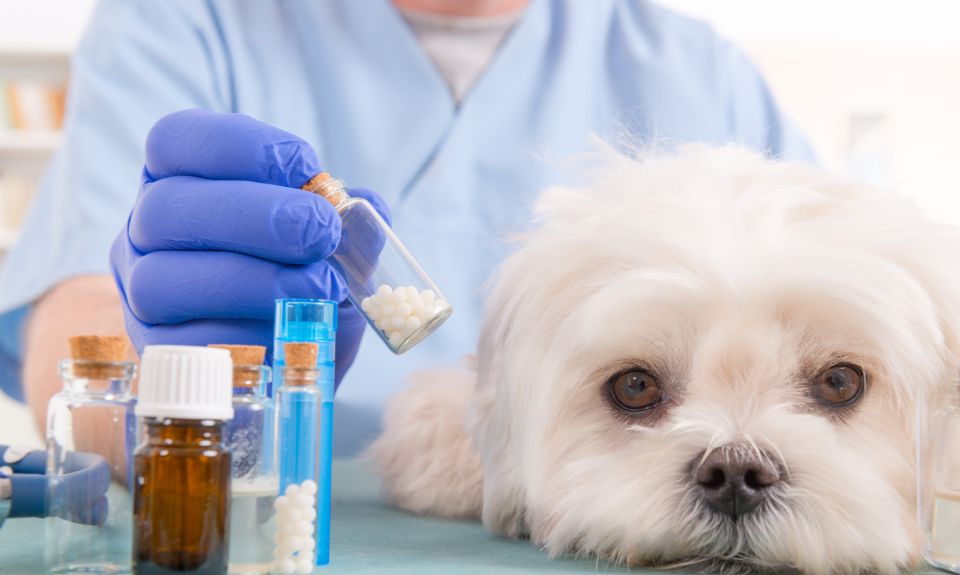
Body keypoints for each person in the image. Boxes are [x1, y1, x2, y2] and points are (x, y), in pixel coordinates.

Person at [0, 0, 812, 455]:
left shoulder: (701, 71)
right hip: (281, 529)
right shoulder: (185, 23)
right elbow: (78, 343)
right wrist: (191, 400)